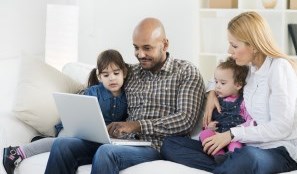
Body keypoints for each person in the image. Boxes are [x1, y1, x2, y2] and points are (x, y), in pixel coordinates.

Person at [43, 17, 205, 174]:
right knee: (62, 145)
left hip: (156, 146)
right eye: (136, 47)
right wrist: (82, 104)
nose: (140, 54)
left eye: (147, 48)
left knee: (107, 153)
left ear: (165, 44)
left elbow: (185, 120)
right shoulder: (130, 72)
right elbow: (101, 82)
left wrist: (136, 125)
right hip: (121, 141)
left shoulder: (186, 71)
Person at [161, 11, 297, 174]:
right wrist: (211, 94)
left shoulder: (279, 68)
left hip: (277, 151)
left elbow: (282, 128)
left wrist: (231, 134)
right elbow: (217, 78)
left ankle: (231, 165)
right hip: (244, 147)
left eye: (235, 45)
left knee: (248, 157)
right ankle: (229, 166)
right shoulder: (249, 68)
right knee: (170, 144)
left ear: (254, 45)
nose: (229, 50)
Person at [2, 49, 129, 174]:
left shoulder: (128, 95)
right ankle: (16, 152)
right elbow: (77, 115)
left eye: (116, 73)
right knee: (64, 142)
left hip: (99, 139)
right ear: (100, 77)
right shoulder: (93, 92)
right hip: (75, 130)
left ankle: (42, 140)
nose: (112, 78)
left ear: (123, 73)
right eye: (106, 75)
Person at [199, 57, 255, 157]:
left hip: (233, 137)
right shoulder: (215, 101)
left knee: (236, 145)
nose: (217, 86)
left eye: (223, 83)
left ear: (238, 85)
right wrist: (209, 126)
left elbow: (250, 121)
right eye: (216, 82)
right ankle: (219, 156)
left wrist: (238, 130)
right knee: (204, 134)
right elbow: (207, 123)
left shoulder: (243, 102)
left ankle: (232, 157)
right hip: (217, 135)